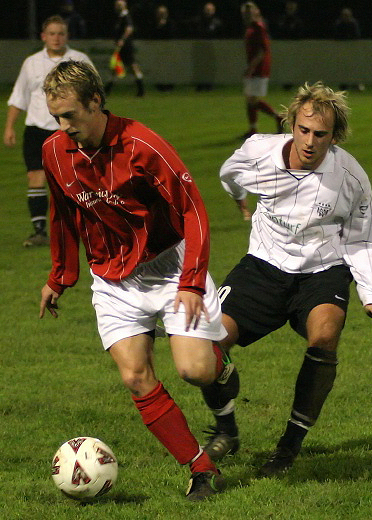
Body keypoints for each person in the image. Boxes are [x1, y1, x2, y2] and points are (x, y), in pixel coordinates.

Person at [39, 59, 230, 500]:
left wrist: (191, 281)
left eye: (70, 116)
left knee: (194, 370)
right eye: (56, 119)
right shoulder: (54, 152)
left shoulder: (143, 145)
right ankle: (201, 469)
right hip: (112, 281)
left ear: (96, 102)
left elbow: (193, 210)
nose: (63, 127)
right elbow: (63, 214)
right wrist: (60, 276)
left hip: (168, 268)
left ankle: (222, 366)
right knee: (135, 377)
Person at [200, 82, 372, 476]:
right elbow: (229, 172)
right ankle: (227, 427)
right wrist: (236, 193)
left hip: (322, 272)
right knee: (207, 348)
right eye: (303, 130)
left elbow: (362, 239)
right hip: (263, 266)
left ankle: (287, 449)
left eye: (320, 134)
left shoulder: (350, 178)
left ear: (334, 136)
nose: (309, 141)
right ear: (292, 125)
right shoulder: (259, 150)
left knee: (324, 337)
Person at [3, 15, 93, 247]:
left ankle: (83, 228)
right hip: (35, 130)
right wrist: (10, 126)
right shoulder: (31, 63)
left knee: (75, 181)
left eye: (60, 33)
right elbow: (19, 97)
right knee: (35, 177)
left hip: (68, 130)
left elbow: (95, 96)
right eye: (51, 33)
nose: (56, 38)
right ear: (43, 36)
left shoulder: (79, 60)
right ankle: (39, 231)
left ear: (67, 36)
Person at [240, 2, 282, 140]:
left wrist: (251, 67)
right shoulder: (251, 27)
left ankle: (278, 117)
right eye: (245, 13)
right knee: (250, 98)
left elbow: (263, 51)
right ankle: (253, 128)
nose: (247, 15)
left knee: (253, 99)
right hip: (253, 67)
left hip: (259, 68)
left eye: (249, 12)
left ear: (256, 12)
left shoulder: (258, 27)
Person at [105, 0, 145, 97]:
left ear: (124, 6)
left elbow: (129, 29)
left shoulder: (126, 16)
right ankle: (107, 89)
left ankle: (141, 89)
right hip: (121, 46)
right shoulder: (120, 17)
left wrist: (122, 40)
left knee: (132, 66)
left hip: (126, 46)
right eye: (116, 5)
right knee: (117, 67)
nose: (117, 7)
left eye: (119, 5)